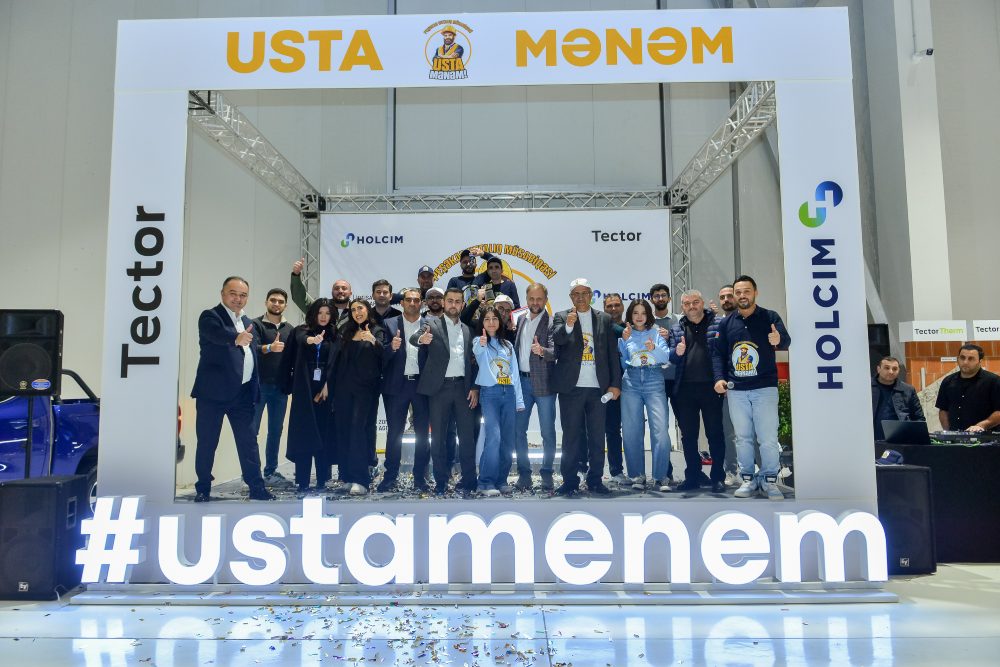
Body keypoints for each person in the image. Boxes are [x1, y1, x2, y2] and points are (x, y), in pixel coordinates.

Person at [191, 276, 274, 502]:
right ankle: (203, 488)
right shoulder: (210, 317)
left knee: (249, 443)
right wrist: (236, 337)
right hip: (212, 395)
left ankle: (257, 487)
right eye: (233, 294)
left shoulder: (246, 321)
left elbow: (251, 350)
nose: (238, 299)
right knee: (207, 443)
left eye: (243, 295)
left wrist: (265, 348)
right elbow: (216, 335)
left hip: (243, 395)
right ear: (222, 294)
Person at [712, 275, 791, 501]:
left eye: (746, 291)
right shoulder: (726, 323)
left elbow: (786, 341)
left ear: (755, 292)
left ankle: (769, 481)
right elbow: (718, 354)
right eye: (738, 292)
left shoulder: (770, 317)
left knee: (767, 438)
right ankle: (747, 479)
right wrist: (719, 378)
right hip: (736, 390)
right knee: (742, 438)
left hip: (764, 388)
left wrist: (778, 339)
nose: (742, 296)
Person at [551, 278, 622, 496]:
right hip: (571, 387)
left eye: (584, 293)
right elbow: (557, 340)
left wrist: (615, 384)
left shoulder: (604, 318)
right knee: (571, 437)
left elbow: (612, 353)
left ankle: (595, 480)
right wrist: (569, 325)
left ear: (591, 295)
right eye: (576, 294)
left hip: (598, 389)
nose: (580, 297)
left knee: (597, 437)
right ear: (571, 297)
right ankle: (569, 481)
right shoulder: (561, 316)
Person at [411, 287, 479, 494]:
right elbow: (414, 338)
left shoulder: (468, 330)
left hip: (464, 389)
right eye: (450, 301)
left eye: (458, 301)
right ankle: (441, 482)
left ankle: (469, 481)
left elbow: (473, 362)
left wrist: (474, 387)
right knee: (438, 438)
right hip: (439, 389)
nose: (453, 305)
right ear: (444, 302)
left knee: (467, 438)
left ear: (462, 305)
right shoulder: (431, 325)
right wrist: (421, 339)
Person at [668, 290, 727, 494]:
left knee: (715, 434)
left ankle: (718, 477)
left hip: (711, 387)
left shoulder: (718, 324)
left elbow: (725, 353)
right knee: (688, 437)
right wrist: (676, 352)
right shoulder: (677, 328)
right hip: (685, 389)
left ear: (702, 303)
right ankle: (692, 476)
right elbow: (672, 358)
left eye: (695, 302)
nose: (691, 306)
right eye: (687, 303)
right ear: (682, 307)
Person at [278, 298, 337, 495]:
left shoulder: (335, 334)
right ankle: (302, 481)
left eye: (327, 313)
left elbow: (337, 364)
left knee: (323, 434)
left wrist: (328, 385)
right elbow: (291, 355)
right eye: (320, 313)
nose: (323, 317)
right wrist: (311, 341)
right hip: (303, 389)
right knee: (303, 435)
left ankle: (322, 480)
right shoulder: (300, 331)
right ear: (313, 313)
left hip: (326, 390)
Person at [380, 288, 431, 492]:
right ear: (401, 303)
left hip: (422, 385)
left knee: (422, 434)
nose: (412, 303)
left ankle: (420, 477)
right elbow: (380, 357)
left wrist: (429, 345)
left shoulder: (430, 325)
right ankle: (390, 477)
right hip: (397, 385)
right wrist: (391, 348)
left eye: (416, 300)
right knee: (394, 433)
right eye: (408, 299)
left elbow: (438, 356)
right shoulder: (389, 324)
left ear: (422, 303)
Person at [331, 299, 384, 495]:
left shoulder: (377, 330)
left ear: (367, 310)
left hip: (365, 390)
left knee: (358, 431)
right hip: (343, 389)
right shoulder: (345, 330)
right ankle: (346, 477)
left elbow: (385, 355)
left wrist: (373, 340)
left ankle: (361, 479)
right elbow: (336, 359)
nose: (357, 312)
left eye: (360, 308)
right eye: (353, 309)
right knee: (343, 430)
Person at [618, 299, 671, 492]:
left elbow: (666, 357)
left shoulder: (656, 333)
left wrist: (653, 348)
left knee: (660, 430)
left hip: (653, 379)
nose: (639, 317)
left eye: (643, 313)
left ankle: (660, 477)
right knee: (631, 430)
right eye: (635, 313)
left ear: (648, 315)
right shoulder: (625, 334)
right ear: (630, 315)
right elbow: (624, 363)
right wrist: (624, 342)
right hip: (631, 381)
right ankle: (637, 475)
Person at [508, 283, 557, 491]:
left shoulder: (552, 322)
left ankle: (547, 474)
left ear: (545, 300)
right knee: (518, 431)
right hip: (522, 383)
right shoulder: (520, 319)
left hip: (545, 385)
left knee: (548, 432)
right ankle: (524, 474)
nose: (535, 303)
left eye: (539, 299)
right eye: (532, 299)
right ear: (526, 299)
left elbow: (556, 352)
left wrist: (542, 351)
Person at [473, 306, 526, 496]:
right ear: (482, 322)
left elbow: (515, 374)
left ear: (499, 321)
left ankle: (501, 480)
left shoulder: (508, 345)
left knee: (507, 440)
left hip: (509, 393)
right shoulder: (479, 341)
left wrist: (519, 400)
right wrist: (482, 343)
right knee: (493, 437)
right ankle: (485, 482)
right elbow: (478, 353)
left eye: (494, 318)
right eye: (487, 319)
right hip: (490, 394)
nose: (491, 322)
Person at [251, 288, 296, 487]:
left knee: (275, 431)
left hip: (280, 388)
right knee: (252, 431)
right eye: (273, 300)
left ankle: (270, 472)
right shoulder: (255, 324)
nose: (276, 304)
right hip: (258, 387)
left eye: (280, 301)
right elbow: (250, 348)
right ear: (266, 302)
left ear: (285, 305)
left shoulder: (290, 329)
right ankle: (251, 473)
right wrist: (269, 347)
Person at [935, 344, 1000, 432]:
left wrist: (982, 425)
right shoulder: (948, 381)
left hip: (986, 436)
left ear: (980, 361)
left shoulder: (993, 381)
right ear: (958, 359)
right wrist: (948, 432)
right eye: (962, 358)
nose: (965, 362)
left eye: (971, 359)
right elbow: (943, 410)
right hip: (955, 437)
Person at [715, 284, 740, 484]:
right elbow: (717, 355)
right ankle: (731, 470)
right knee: (728, 432)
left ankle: (761, 471)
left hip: (752, 385)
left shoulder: (750, 319)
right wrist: (721, 379)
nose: (726, 300)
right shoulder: (718, 324)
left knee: (754, 432)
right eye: (722, 297)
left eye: (729, 296)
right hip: (727, 386)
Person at [602, 293, 627, 486]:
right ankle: (614, 471)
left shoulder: (632, 327)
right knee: (609, 429)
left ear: (622, 307)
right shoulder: (601, 327)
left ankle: (631, 471)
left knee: (629, 431)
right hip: (608, 385)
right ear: (604, 308)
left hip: (632, 385)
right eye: (609, 306)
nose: (613, 309)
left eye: (616, 305)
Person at [872, 356, 925, 440]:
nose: (891, 372)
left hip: (901, 440)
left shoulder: (908, 390)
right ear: (878, 369)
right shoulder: (866, 388)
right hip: (872, 440)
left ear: (898, 371)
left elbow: (919, 418)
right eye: (886, 368)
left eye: (895, 369)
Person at [289, 257, 351, 326]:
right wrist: (296, 275)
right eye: (336, 288)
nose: (340, 291)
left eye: (344, 288)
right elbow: (300, 298)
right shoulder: (320, 307)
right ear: (332, 292)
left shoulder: (356, 310)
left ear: (350, 293)